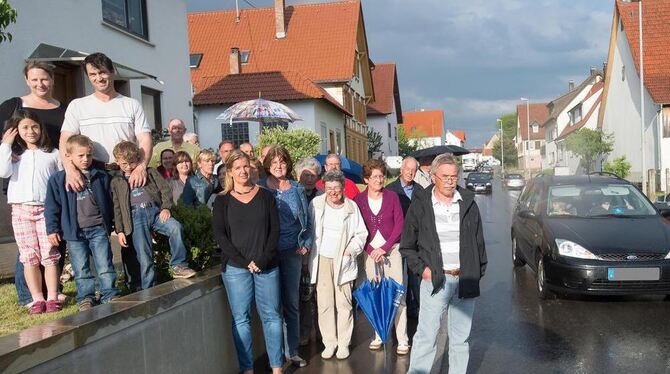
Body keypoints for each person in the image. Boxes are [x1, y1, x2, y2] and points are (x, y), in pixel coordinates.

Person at [59, 52, 153, 291]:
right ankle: (99, 288)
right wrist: (70, 169)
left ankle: (136, 283)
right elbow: (65, 141)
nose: (99, 77)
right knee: (95, 230)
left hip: (125, 173)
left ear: (112, 72)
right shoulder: (78, 106)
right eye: (93, 74)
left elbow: (144, 138)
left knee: (130, 228)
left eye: (102, 72)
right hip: (93, 175)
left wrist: (141, 166)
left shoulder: (130, 104)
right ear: (88, 77)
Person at [401, 154, 487, 374]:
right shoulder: (421, 204)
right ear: (433, 177)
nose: (450, 181)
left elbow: (478, 243)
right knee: (426, 337)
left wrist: (475, 272)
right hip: (435, 280)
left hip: (465, 279)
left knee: (460, 340)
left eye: (454, 176)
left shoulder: (467, 202)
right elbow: (407, 246)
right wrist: (424, 271)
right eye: (445, 176)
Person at [0, 61, 68, 308]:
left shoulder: (64, 109)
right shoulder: (13, 106)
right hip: (21, 191)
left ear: (52, 79)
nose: (41, 84)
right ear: (27, 79)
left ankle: (52, 292)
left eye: (45, 79)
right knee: (27, 250)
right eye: (35, 79)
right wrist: (7, 147)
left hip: (48, 191)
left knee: (52, 245)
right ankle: (29, 295)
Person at [212, 150, 283, 374]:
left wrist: (262, 259)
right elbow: (220, 236)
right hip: (235, 269)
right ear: (230, 172)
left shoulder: (266, 196)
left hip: (267, 266)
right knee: (241, 320)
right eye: (238, 168)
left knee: (271, 317)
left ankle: (277, 368)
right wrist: (244, 262)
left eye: (246, 166)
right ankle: (247, 369)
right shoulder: (222, 200)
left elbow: (275, 232)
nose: (243, 171)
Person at [45, 135, 120, 311]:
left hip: (98, 229)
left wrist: (113, 224)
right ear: (68, 156)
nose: (85, 159)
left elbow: (110, 201)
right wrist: (52, 229)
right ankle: (86, 297)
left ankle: (109, 293)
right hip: (74, 232)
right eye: (80, 156)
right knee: (81, 268)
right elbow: (51, 207)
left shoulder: (100, 176)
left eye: (88, 155)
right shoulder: (57, 179)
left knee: (104, 264)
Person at [110, 141, 196, 290]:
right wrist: (120, 230)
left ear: (138, 158)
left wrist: (165, 208)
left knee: (175, 228)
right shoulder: (117, 181)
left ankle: (179, 265)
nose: (129, 167)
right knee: (144, 254)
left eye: (132, 162)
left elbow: (165, 190)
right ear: (117, 162)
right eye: (124, 164)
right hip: (135, 217)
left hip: (155, 212)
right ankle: (149, 288)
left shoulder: (149, 172)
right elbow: (116, 207)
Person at [259, 145, 312, 368]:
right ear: (267, 166)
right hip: (268, 253)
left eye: (281, 161)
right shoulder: (260, 188)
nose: (278, 166)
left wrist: (306, 244)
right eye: (273, 163)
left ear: (287, 163)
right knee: (272, 307)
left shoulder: (298, 189)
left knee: (291, 303)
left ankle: (293, 351)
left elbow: (307, 222)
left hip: (292, 252)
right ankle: (276, 355)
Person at [308, 170, 367, 359]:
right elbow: (309, 230)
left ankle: (343, 343)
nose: (333, 191)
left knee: (344, 303)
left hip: (343, 259)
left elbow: (361, 233)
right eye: (329, 187)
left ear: (343, 187)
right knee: (324, 303)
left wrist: (351, 250)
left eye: (336, 187)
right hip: (323, 258)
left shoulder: (351, 207)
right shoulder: (316, 204)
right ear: (324, 188)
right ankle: (329, 342)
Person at [353, 159, 409, 355]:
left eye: (381, 176)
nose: (379, 179)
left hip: (391, 250)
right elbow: (358, 228)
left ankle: (402, 338)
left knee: (397, 294)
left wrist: (384, 248)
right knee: (375, 294)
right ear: (366, 179)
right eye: (375, 176)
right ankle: (379, 333)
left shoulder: (392, 197)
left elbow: (399, 226)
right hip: (370, 253)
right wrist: (370, 249)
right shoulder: (358, 200)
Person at [386, 156, 424, 318]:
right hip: (396, 240)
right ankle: (397, 311)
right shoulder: (390, 189)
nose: (410, 173)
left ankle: (415, 307)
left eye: (413, 170)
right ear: (401, 170)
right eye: (407, 169)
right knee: (397, 276)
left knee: (415, 275)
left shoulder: (420, 190)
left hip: (415, 241)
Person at [294, 157, 323, 347]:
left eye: (313, 175)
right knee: (304, 295)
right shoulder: (295, 194)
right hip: (301, 250)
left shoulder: (322, 195)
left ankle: (321, 332)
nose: (310, 178)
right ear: (299, 176)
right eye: (306, 175)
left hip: (320, 249)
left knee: (320, 295)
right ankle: (304, 333)